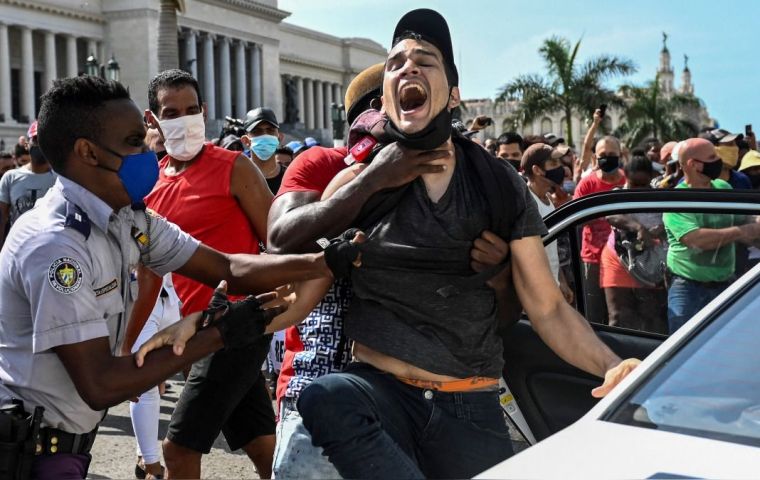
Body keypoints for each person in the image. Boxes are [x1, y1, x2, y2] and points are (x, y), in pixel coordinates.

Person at [295, 9, 640, 478]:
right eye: (396, 63)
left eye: (426, 61)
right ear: (387, 98)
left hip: (468, 402)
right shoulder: (356, 186)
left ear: (453, 94)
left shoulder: (499, 186)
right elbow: (302, 289)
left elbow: (549, 309)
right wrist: (212, 325)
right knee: (324, 397)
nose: (408, 68)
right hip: (379, 395)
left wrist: (614, 366)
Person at [0, 75, 354, 479]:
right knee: (187, 447)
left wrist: (323, 262)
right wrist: (218, 334)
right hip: (30, 451)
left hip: (62, 443)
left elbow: (227, 267)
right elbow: (100, 384)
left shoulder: (129, 217)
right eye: (134, 142)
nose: (147, 153)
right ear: (87, 153)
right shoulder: (56, 246)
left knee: (251, 436)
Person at [141, 70, 275, 479]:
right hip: (191, 332)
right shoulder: (151, 182)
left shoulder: (235, 167)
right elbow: (148, 268)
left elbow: (279, 240)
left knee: (178, 450)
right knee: (260, 441)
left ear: (204, 111)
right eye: (171, 112)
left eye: (191, 110)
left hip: (238, 324)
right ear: (153, 120)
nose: (183, 119)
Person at [663, 138, 760, 333]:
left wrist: (754, 224)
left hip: (725, 284)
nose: (719, 160)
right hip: (687, 288)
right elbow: (696, 240)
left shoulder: (723, 188)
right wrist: (742, 232)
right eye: (712, 157)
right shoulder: (676, 200)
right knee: (683, 348)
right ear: (693, 164)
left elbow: (744, 221)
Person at [600, 157, 667, 333]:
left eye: (643, 184)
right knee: (618, 317)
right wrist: (638, 227)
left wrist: (662, 229)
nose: (638, 189)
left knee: (652, 317)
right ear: (626, 176)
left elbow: (671, 222)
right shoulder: (617, 193)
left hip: (651, 261)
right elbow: (611, 216)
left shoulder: (660, 195)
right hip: (618, 258)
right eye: (634, 184)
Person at [573, 135, 627, 324]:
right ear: (595, 157)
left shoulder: (628, 183)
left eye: (612, 154)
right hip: (593, 258)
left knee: (619, 316)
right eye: (603, 154)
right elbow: (576, 218)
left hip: (623, 260)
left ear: (621, 155)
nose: (607, 158)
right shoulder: (587, 184)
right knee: (594, 317)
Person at [520, 143, 573, 302]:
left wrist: (561, 282)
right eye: (554, 164)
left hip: (551, 287)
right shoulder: (526, 203)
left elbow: (552, 248)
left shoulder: (548, 199)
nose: (561, 169)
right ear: (537, 170)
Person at [0, 121, 57, 246]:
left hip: (52, 248)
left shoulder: (62, 179)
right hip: (18, 248)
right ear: (27, 144)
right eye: (36, 139)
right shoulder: (10, 178)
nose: (39, 144)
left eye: (44, 140)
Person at [240, 107, 285, 194]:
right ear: (246, 141)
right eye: (257, 131)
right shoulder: (238, 177)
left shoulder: (289, 177)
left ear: (279, 138)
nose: (265, 135)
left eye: (270, 130)